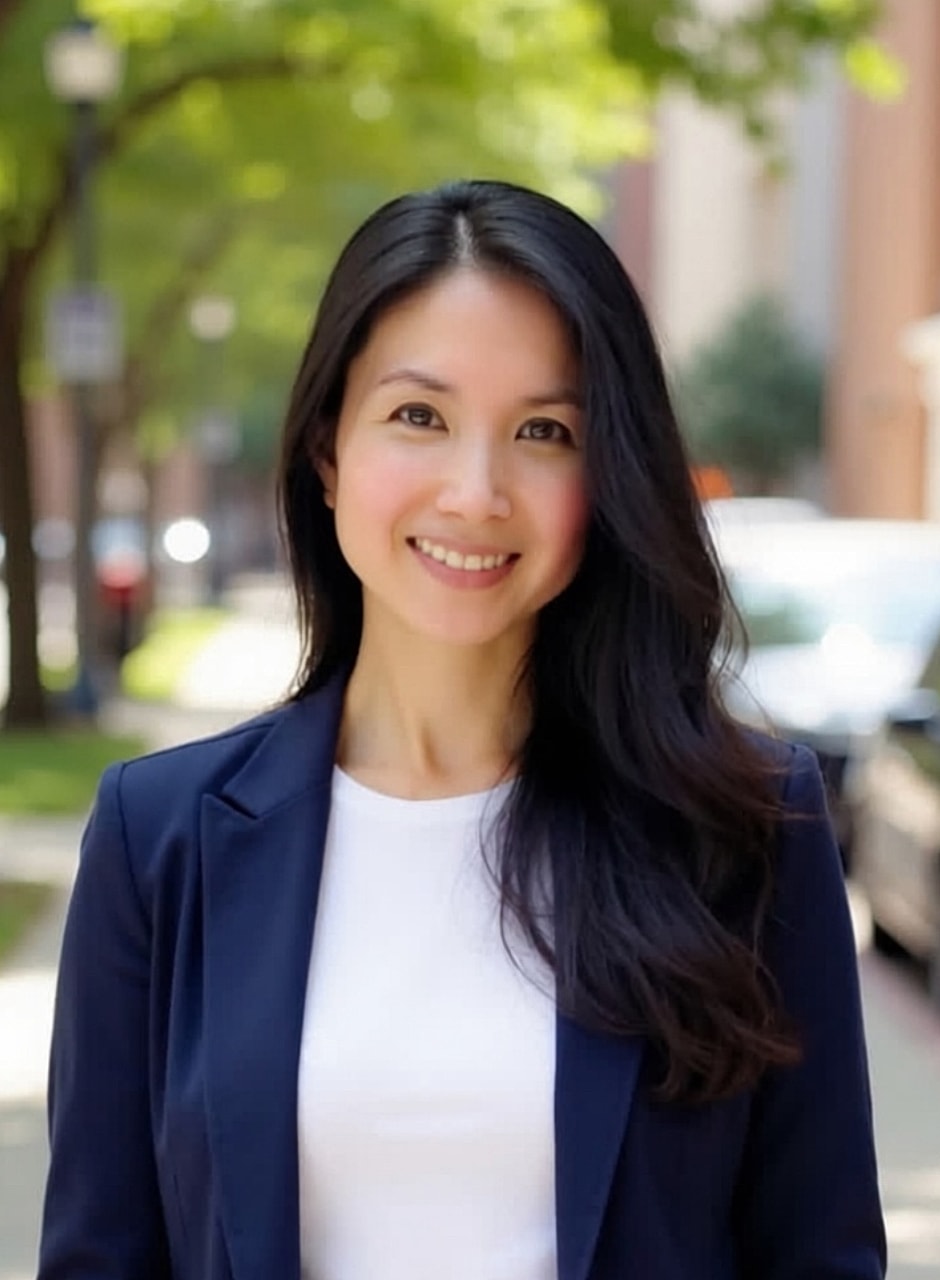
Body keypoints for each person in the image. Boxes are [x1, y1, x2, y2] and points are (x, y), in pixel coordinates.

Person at [38, 179, 886, 1280]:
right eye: (418, 416)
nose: (475, 491)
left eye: (545, 430)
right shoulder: (159, 839)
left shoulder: (745, 827)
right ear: (327, 451)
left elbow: (819, 1254)